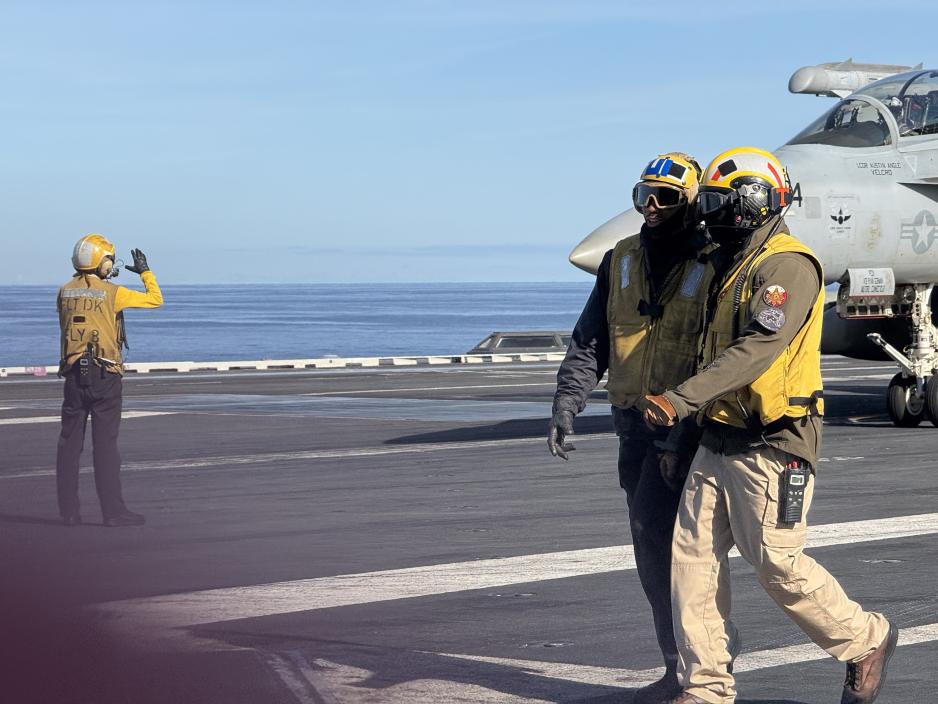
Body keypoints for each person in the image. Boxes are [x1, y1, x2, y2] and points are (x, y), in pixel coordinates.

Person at [641, 147, 897, 704]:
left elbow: (757, 348)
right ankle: (706, 688)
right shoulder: (730, 266)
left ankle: (865, 638)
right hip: (718, 436)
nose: (706, 213)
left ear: (751, 204)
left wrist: (680, 401)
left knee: (777, 564)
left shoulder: (787, 266)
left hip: (773, 440)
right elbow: (707, 351)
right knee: (691, 561)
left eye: (717, 202)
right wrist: (683, 435)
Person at [548, 153, 723, 704]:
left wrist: (683, 429)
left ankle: (705, 667)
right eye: (642, 195)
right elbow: (590, 340)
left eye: (664, 198)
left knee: (684, 555)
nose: (650, 208)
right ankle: (679, 666)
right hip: (633, 427)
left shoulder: (716, 262)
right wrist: (566, 404)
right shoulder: (619, 261)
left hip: (690, 430)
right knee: (651, 552)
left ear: (690, 203)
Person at [56, 234, 163, 527]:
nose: (111, 265)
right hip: (105, 375)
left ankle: (68, 512)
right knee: (105, 447)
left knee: (68, 446)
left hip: (73, 375)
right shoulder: (112, 293)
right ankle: (113, 512)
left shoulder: (64, 292)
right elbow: (156, 300)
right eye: (109, 260)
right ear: (100, 261)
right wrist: (145, 272)